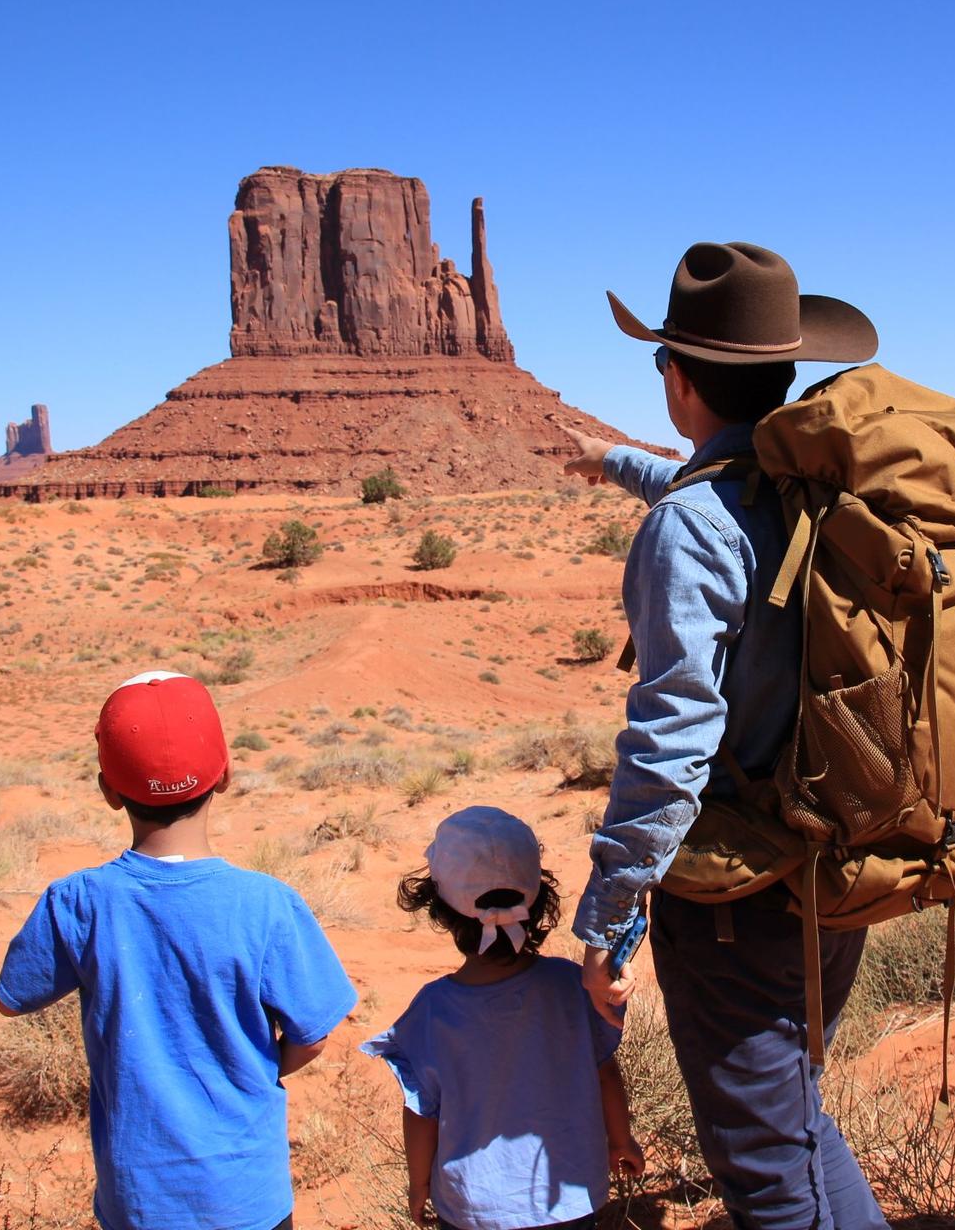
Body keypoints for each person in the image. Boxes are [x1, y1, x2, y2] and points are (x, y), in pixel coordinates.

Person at [559, 242, 891, 1229]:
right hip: (839, 859)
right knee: (793, 1117)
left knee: (761, 1166)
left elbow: (671, 741)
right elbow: (710, 495)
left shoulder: (692, 525)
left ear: (676, 374)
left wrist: (610, 917)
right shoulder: (812, 489)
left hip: (743, 897)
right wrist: (612, 459)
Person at [0, 671, 358, 1230]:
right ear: (227, 774)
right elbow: (314, 1035)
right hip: (249, 1197)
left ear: (108, 791)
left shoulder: (79, 902)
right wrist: (257, 1070)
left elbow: (13, 998)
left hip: (139, 1199)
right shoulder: (266, 904)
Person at [362, 805, 643, 1229]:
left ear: (440, 910)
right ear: (539, 899)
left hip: (475, 1209)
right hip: (570, 1194)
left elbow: (421, 1110)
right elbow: (605, 1072)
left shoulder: (432, 1009)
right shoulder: (573, 987)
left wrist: (418, 1184)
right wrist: (620, 1139)